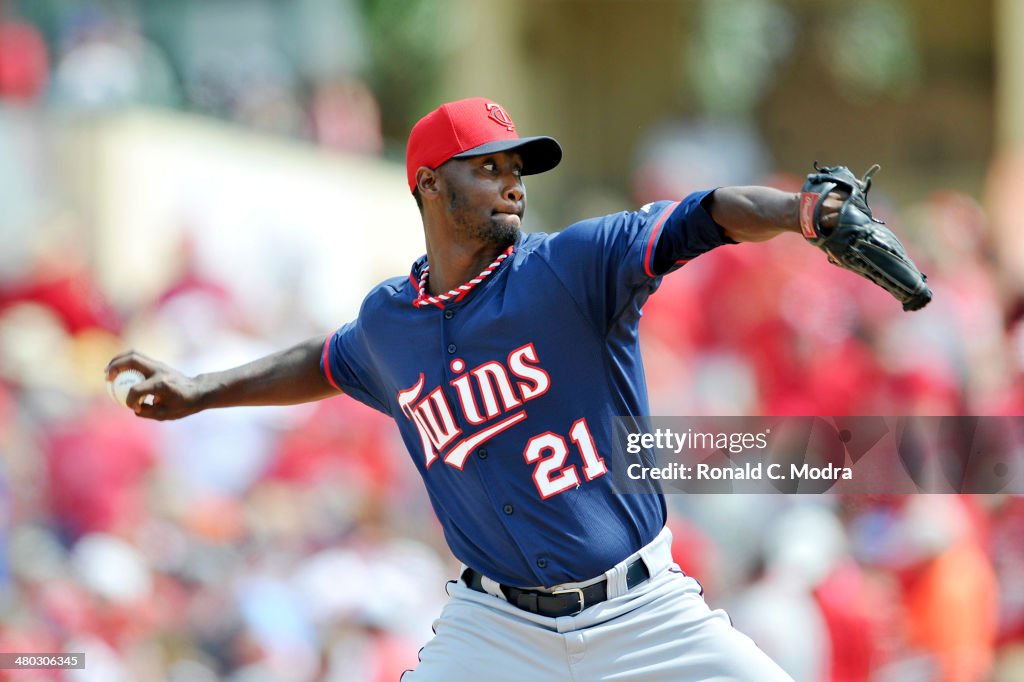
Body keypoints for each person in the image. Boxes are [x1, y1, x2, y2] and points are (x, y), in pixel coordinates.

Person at [108, 97, 863, 681]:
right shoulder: (390, 320)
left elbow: (706, 215)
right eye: (488, 167)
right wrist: (203, 389)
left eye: (516, 169)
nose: (512, 185)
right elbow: (328, 360)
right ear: (431, 183)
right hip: (496, 630)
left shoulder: (572, 265)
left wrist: (799, 213)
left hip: (643, 612)